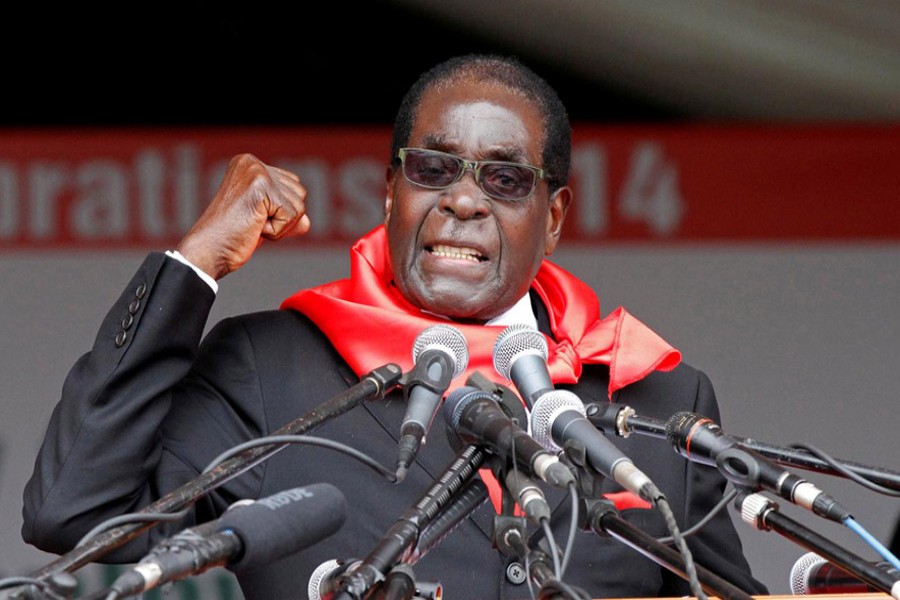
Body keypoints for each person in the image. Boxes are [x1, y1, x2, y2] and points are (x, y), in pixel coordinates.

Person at [22, 54, 767, 599]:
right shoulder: (269, 369)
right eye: (434, 170)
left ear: (556, 219)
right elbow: (76, 512)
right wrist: (194, 264)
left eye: (505, 179)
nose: (465, 203)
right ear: (391, 194)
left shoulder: (657, 397)